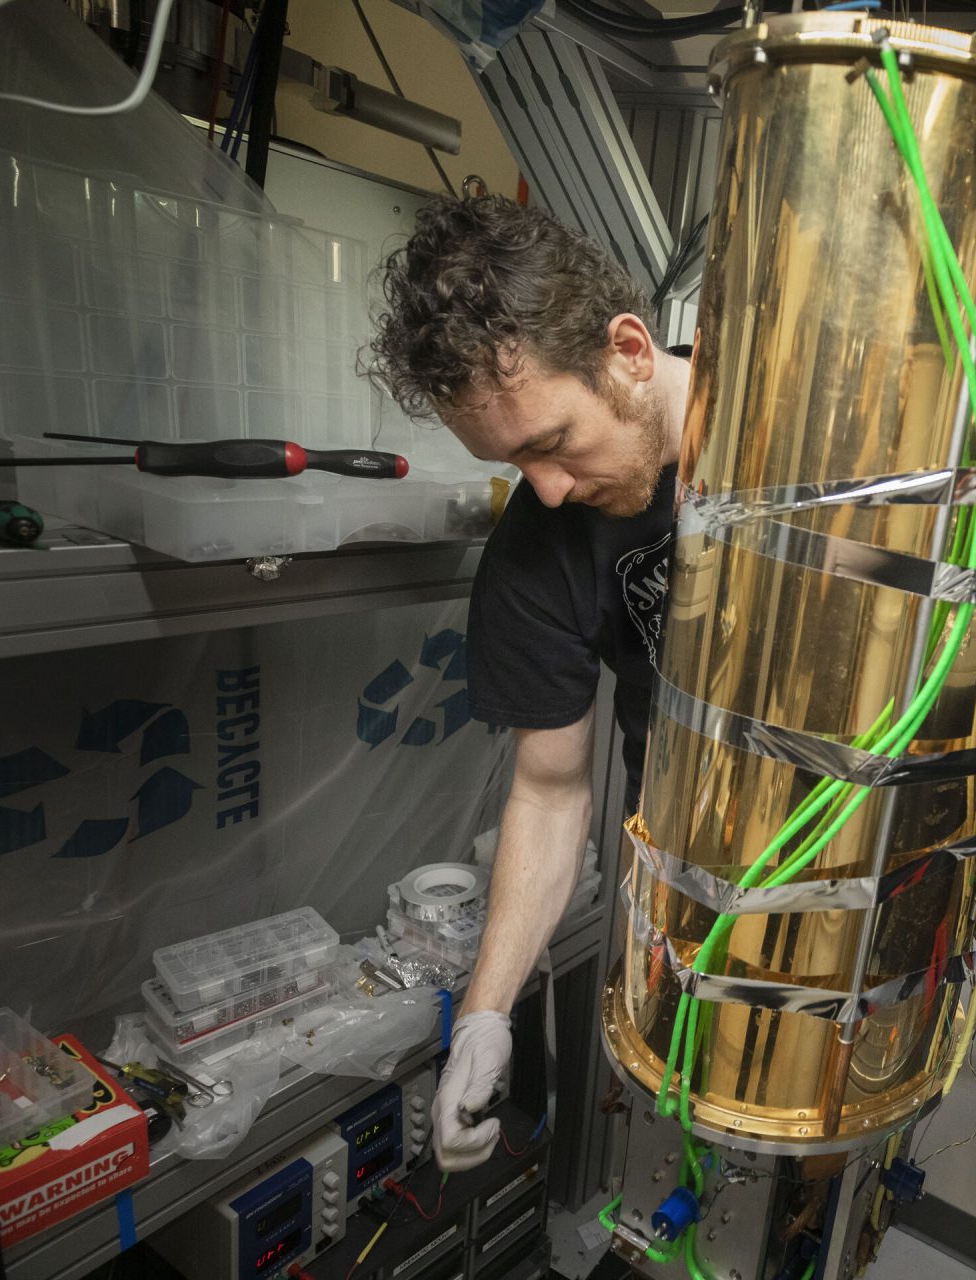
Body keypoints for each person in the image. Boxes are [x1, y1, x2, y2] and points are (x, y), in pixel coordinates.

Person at [365, 194, 691, 1171]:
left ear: (629, 351)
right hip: (683, 883)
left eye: (552, 440)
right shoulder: (536, 550)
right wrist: (483, 1014)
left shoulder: (793, 434)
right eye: (511, 460)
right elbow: (550, 791)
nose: (544, 486)